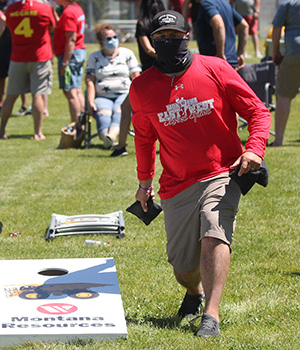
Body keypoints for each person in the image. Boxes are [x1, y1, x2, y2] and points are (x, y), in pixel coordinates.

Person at [129, 10, 271, 337]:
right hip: (176, 183)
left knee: (214, 230)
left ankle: (212, 316)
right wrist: (143, 184)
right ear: (152, 42)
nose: (168, 43)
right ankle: (194, 292)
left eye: (174, 37)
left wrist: (254, 149)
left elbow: (257, 112)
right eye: (161, 38)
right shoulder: (142, 88)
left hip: (222, 171)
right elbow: (145, 139)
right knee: (183, 268)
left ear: (186, 35)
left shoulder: (215, 68)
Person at [111, 0, 165, 158]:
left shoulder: (142, 24)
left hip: (150, 74)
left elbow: (148, 49)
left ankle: (121, 146)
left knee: (126, 107)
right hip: (167, 71)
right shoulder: (165, 24)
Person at [0, 0, 55, 140]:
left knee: (10, 96)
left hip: (17, 57)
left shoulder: (11, 9)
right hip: (39, 57)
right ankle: (38, 133)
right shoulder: (44, 8)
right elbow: (52, 27)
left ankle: (1, 131)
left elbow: (9, 27)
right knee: (37, 95)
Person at [85, 23, 141, 149]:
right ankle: (106, 137)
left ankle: (111, 137)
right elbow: (89, 81)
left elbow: (136, 77)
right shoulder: (94, 57)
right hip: (102, 95)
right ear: (101, 41)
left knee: (119, 110)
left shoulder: (127, 53)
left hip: (124, 93)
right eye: (108, 39)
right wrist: (90, 101)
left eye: (114, 37)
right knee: (103, 112)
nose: (113, 41)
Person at [270, 0, 300, 147]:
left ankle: (279, 140)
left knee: (284, 95)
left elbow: (276, 28)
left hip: (294, 51)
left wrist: (275, 52)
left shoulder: (287, 3)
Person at [53, 0, 86, 125]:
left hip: (71, 54)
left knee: (70, 91)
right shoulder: (76, 8)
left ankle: (76, 125)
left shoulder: (69, 12)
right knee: (76, 90)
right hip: (78, 51)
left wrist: (65, 62)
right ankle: (82, 122)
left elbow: (71, 38)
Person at [196, 0, 249, 69]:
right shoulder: (224, 4)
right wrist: (240, 54)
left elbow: (218, 24)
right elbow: (244, 26)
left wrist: (220, 54)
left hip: (214, 62)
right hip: (230, 61)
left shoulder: (206, 4)